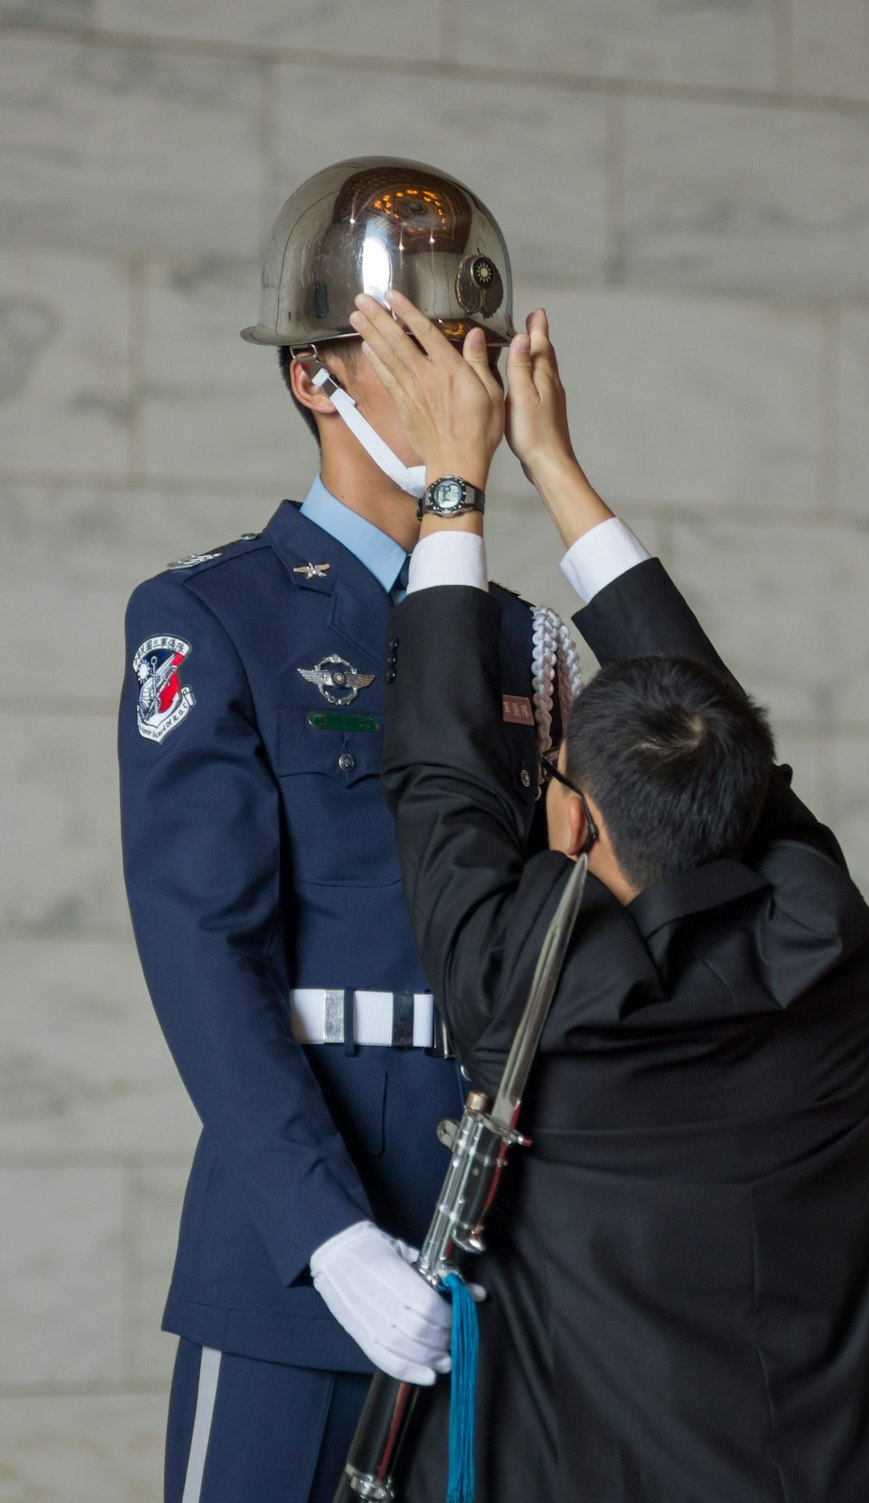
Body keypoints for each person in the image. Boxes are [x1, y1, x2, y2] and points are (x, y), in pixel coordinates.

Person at [347, 288, 869, 1501]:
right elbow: (721, 746)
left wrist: (456, 487)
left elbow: (436, 774)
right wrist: (553, 468)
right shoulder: (830, 938)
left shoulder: (529, 987)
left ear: (567, 816)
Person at [118, 159, 576, 1503]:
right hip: (300, 1238)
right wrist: (329, 1234)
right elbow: (205, 947)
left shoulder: (529, 643)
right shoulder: (215, 615)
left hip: (513, 1243)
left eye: (475, 344)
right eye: (424, 347)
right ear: (318, 379)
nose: (466, 384)